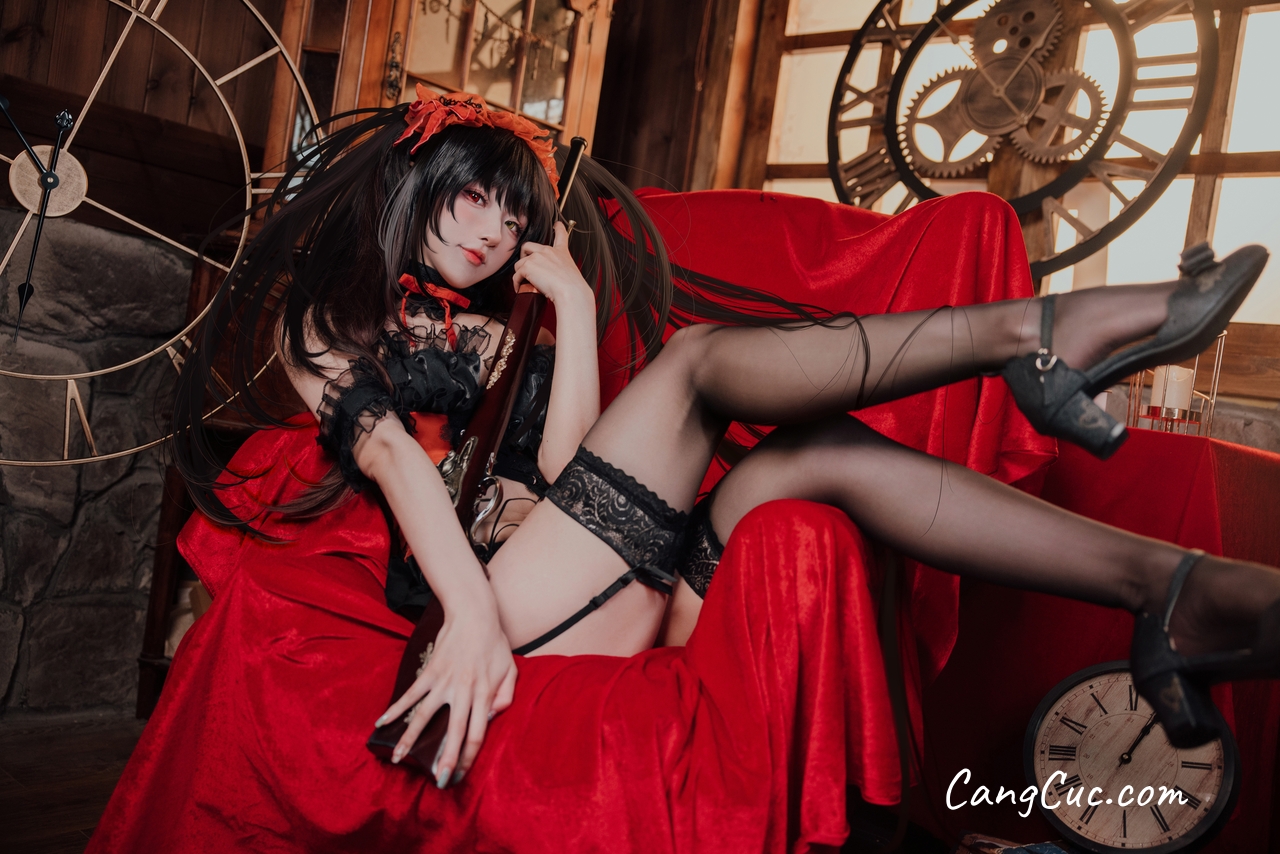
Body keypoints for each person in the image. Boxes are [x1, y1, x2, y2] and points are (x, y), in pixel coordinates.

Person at [90, 88, 1278, 851]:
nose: (489, 231)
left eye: (509, 214)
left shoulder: (509, 325)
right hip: (494, 605)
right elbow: (397, 459)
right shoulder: (328, 325)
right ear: (413, 189)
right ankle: (1039, 333)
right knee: (699, 364)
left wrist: (566, 310)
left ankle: (1167, 587)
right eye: (469, 199)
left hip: (598, 588)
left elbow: (575, 467)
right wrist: (466, 622)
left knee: (812, 454)